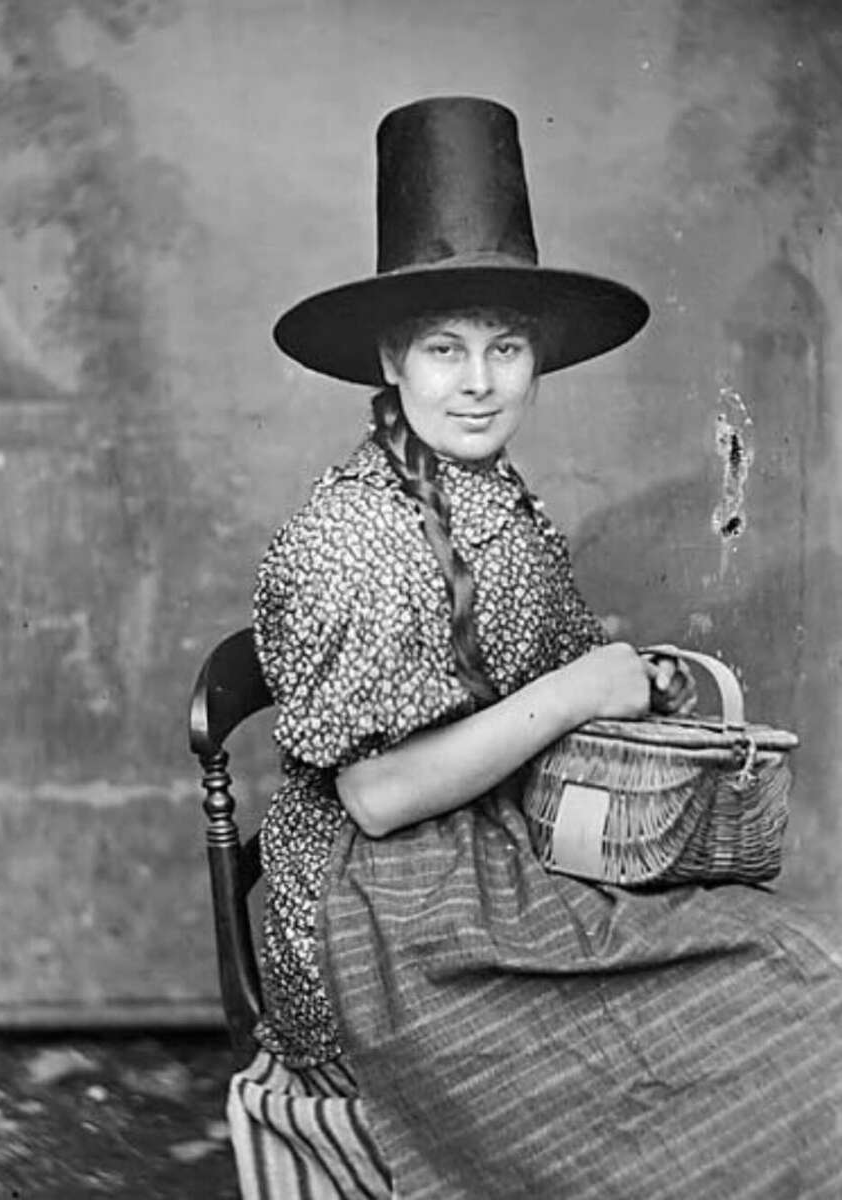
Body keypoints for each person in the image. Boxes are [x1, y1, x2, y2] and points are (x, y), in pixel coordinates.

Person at [225, 96, 842, 1199]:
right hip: (373, 912)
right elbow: (372, 796)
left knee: (789, 964)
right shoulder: (353, 537)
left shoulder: (493, 496)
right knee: (749, 1027)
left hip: (495, 853)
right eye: (445, 350)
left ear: (537, 357)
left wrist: (625, 680)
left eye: (506, 348)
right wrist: (572, 692)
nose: (479, 381)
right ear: (390, 358)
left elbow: (536, 674)